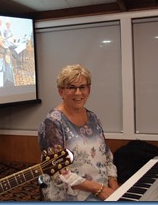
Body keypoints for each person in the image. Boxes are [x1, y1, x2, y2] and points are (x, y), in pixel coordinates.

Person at [37, 64, 119, 201]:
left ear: (89, 90)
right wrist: (98, 189)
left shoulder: (93, 118)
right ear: (61, 91)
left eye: (82, 87)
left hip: (101, 191)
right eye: (71, 87)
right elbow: (59, 172)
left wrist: (114, 185)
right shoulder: (52, 122)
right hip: (70, 195)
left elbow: (107, 156)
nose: (78, 93)